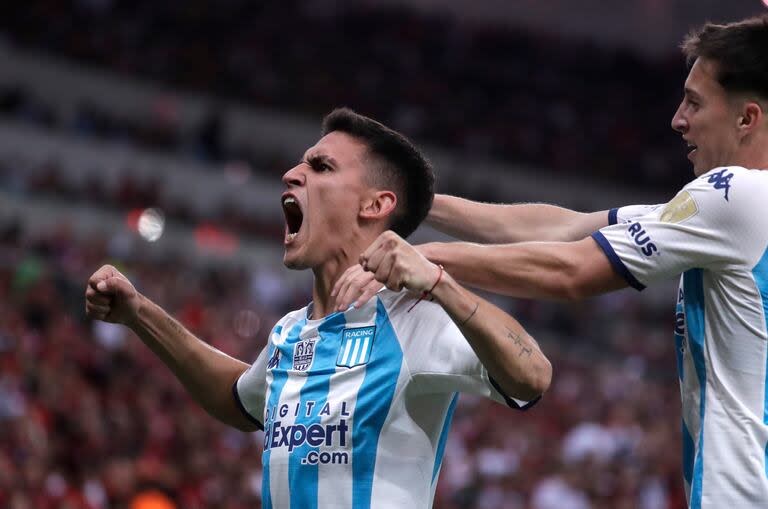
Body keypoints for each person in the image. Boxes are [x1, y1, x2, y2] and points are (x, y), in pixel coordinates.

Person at [332, 15, 768, 508]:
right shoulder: (735, 210)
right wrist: (410, 202)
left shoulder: (735, 196)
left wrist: (427, 262)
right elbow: (561, 228)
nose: (677, 119)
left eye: (694, 101)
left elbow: (572, 270)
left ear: (747, 118)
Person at [84, 108, 551, 508]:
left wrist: (440, 282)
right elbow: (237, 401)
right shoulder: (291, 332)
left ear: (375, 204)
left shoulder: (416, 318)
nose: (292, 173)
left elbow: (532, 375)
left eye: (321, 166)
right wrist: (138, 314)